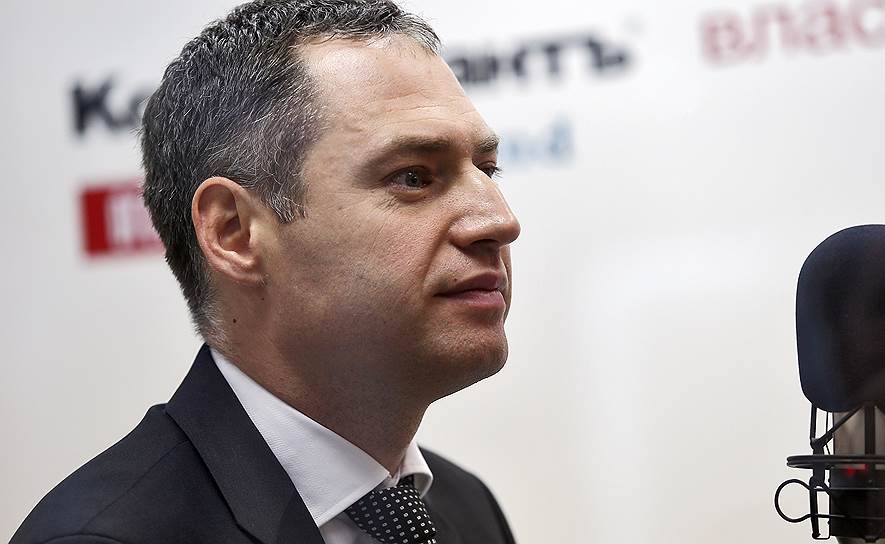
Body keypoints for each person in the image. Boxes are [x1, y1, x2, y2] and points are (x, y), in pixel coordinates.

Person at [12, 1, 520, 542]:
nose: (500, 221)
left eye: (487, 170)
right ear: (234, 232)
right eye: (414, 177)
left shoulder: (466, 509)